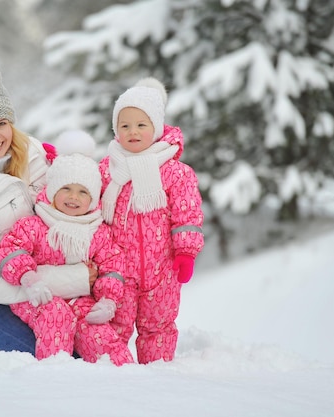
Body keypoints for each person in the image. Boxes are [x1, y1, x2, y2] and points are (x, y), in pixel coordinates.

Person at [0, 63, 94, 359]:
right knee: (64, 358)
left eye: (1, 123)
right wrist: (74, 279)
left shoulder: (33, 153)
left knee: (92, 346)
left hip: (53, 294)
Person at [0, 130, 134, 366]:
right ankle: (55, 376)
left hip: (80, 301)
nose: (73, 197)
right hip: (38, 298)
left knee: (96, 330)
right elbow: (9, 250)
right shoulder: (35, 225)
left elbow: (112, 264)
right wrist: (28, 277)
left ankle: (124, 377)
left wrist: (108, 299)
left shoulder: (96, 232)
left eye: (82, 192)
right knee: (55, 315)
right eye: (66, 189)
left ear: (92, 199)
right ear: (52, 191)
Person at [99, 77, 205, 364]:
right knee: (114, 329)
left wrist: (185, 252)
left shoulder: (175, 172)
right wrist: (54, 165)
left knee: (158, 328)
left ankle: (156, 383)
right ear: (116, 130)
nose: (133, 131)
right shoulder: (107, 171)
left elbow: (187, 213)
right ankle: (113, 381)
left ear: (156, 128)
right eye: (125, 125)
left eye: (141, 125)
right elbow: (76, 194)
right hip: (118, 271)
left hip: (163, 271)